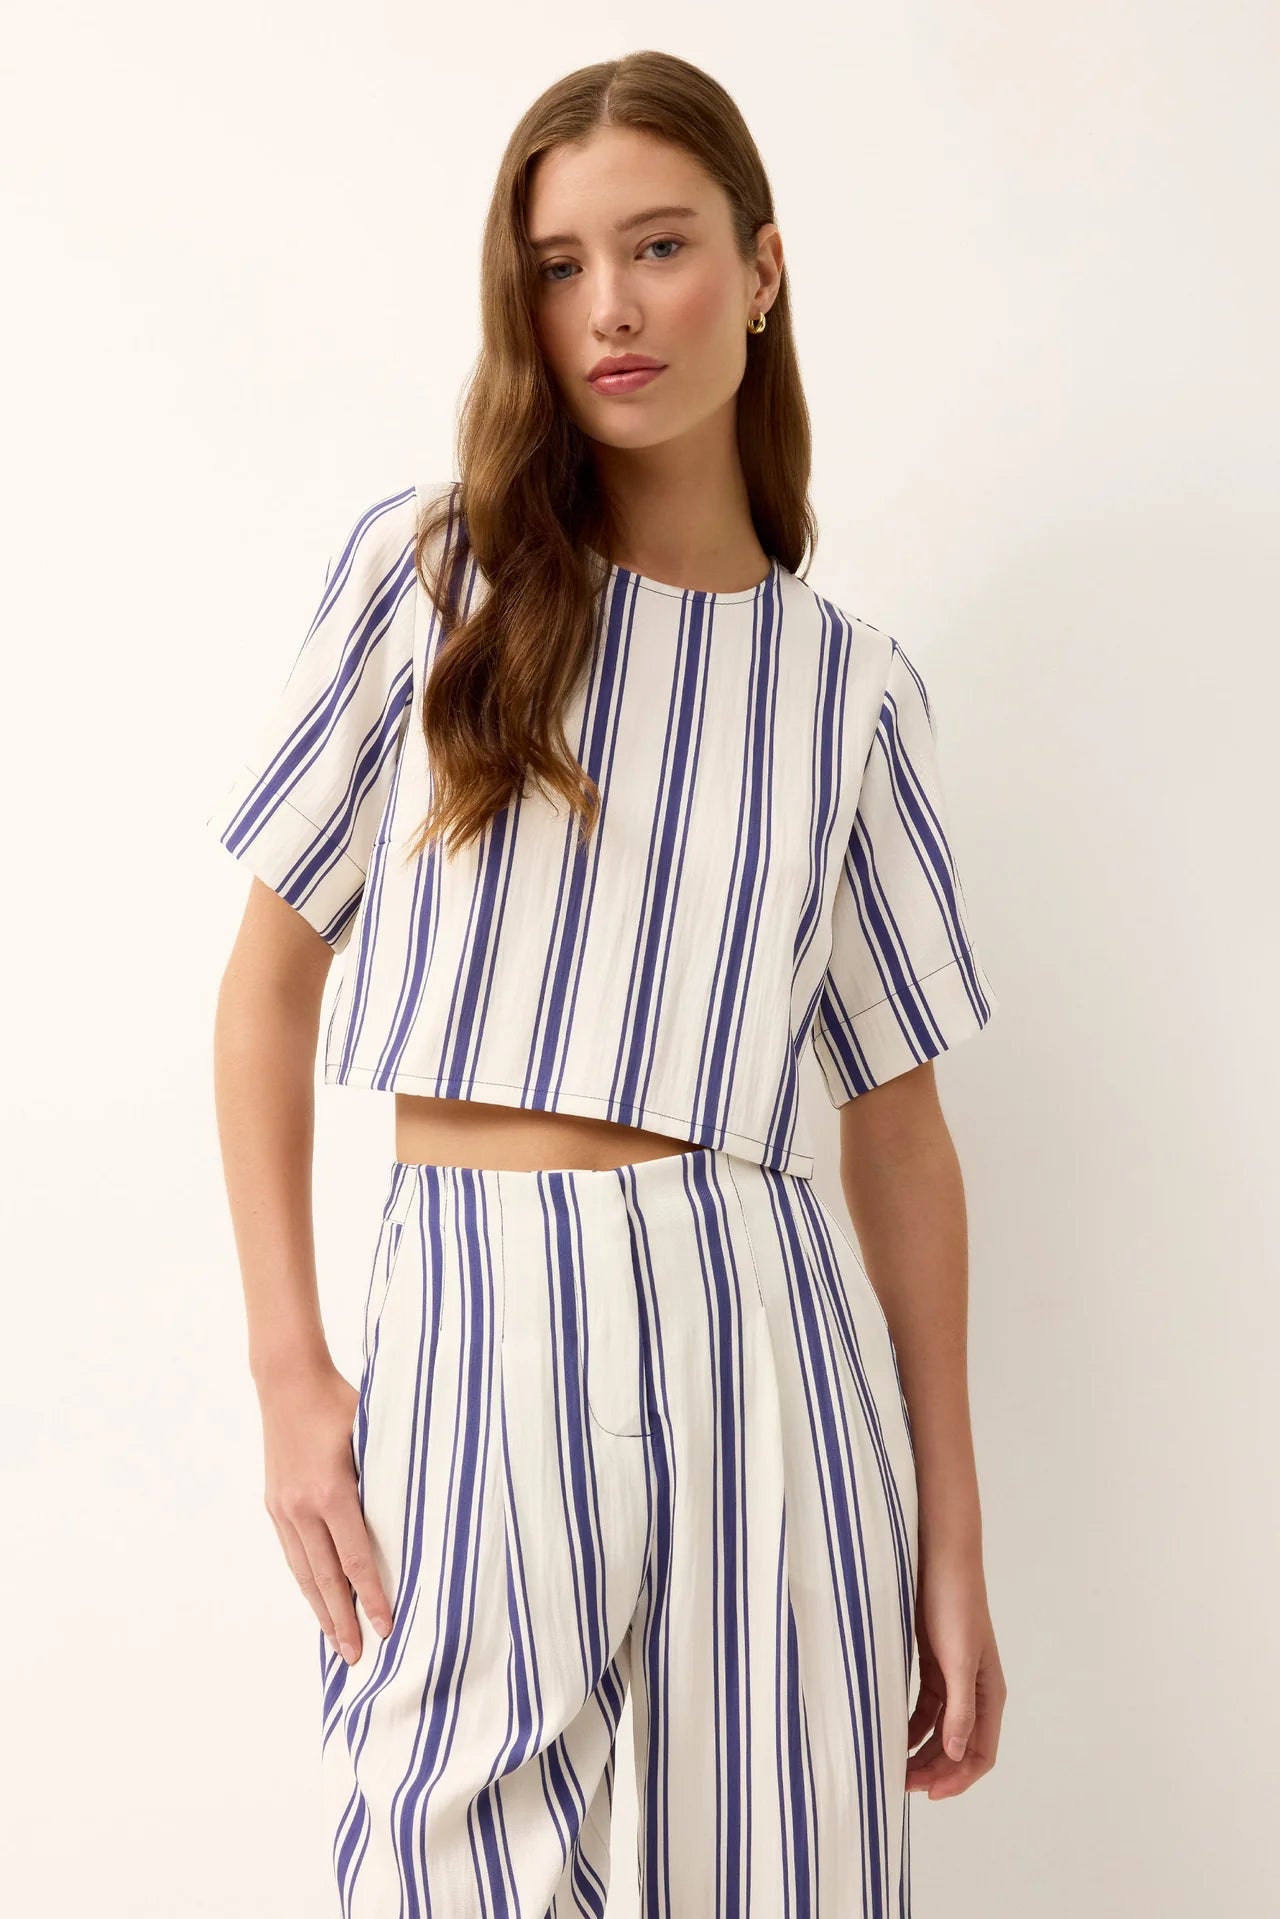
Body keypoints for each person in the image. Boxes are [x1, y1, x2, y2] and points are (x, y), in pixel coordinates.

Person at [207, 49, 1006, 1919]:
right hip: (478, 1302)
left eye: (657, 247)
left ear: (764, 266)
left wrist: (952, 1535)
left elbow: (901, 1131)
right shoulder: (441, 578)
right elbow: (265, 990)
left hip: (764, 1313)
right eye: (558, 265)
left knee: (790, 1876)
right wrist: (286, 1369)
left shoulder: (850, 689)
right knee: (439, 1862)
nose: (611, 308)